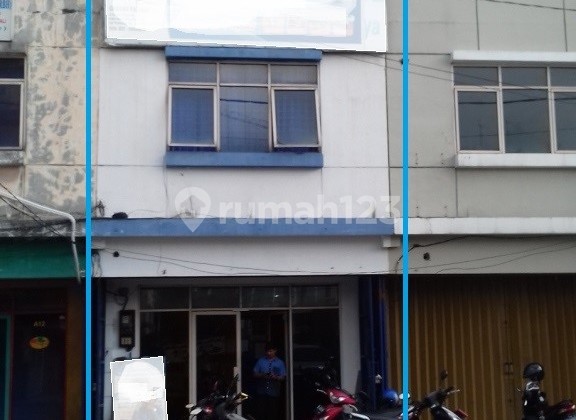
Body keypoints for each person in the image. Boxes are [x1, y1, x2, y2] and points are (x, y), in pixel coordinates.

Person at [253, 342, 286, 420]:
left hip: (274, 392)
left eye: (271, 351)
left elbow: (283, 377)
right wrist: (262, 375)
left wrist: (276, 377)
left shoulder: (280, 363)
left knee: (272, 413)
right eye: (267, 351)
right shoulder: (261, 361)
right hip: (261, 392)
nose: (269, 353)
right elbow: (254, 374)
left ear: (275, 350)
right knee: (261, 413)